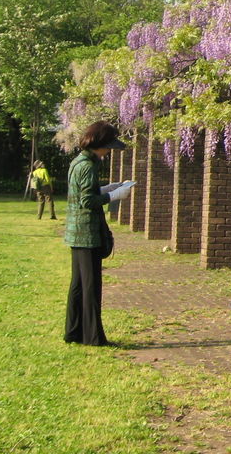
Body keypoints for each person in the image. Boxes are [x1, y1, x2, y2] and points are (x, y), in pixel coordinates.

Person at [63, 121, 133, 346]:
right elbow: (86, 201)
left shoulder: (78, 161)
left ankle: (73, 331)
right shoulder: (87, 166)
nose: (108, 152)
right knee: (91, 286)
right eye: (107, 147)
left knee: (78, 285)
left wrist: (107, 188)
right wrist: (114, 196)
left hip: (76, 232)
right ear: (99, 144)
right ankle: (93, 337)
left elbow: (84, 192)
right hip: (87, 232)